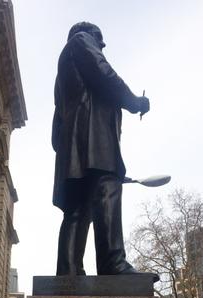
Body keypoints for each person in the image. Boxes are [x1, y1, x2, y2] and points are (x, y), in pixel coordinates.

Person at [52, 21, 150, 276]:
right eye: (100, 40)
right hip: (94, 142)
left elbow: (56, 130)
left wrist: (69, 153)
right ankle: (112, 263)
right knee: (107, 189)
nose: (102, 46)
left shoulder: (62, 75)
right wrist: (133, 101)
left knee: (78, 209)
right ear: (91, 36)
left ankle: (68, 273)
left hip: (74, 150)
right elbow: (104, 73)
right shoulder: (81, 41)